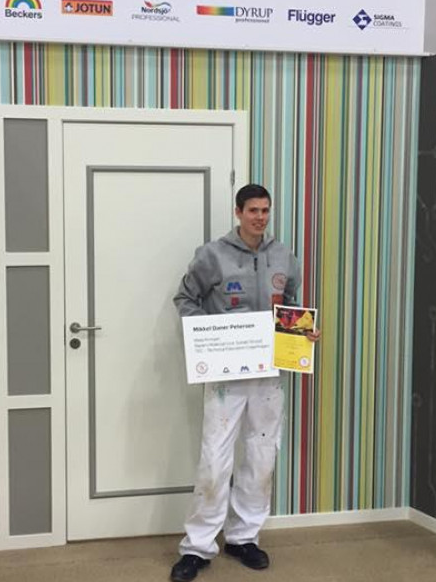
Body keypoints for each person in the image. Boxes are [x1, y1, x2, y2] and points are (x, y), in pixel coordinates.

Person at [170, 184, 320, 582]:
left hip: (268, 374)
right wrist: (208, 337)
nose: (260, 217)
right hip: (225, 376)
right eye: (253, 210)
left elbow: (289, 307)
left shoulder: (283, 256)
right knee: (214, 459)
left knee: (261, 455)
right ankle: (197, 547)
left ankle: (243, 538)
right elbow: (186, 300)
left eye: (265, 210)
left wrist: (302, 332)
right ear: (238, 212)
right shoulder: (213, 255)